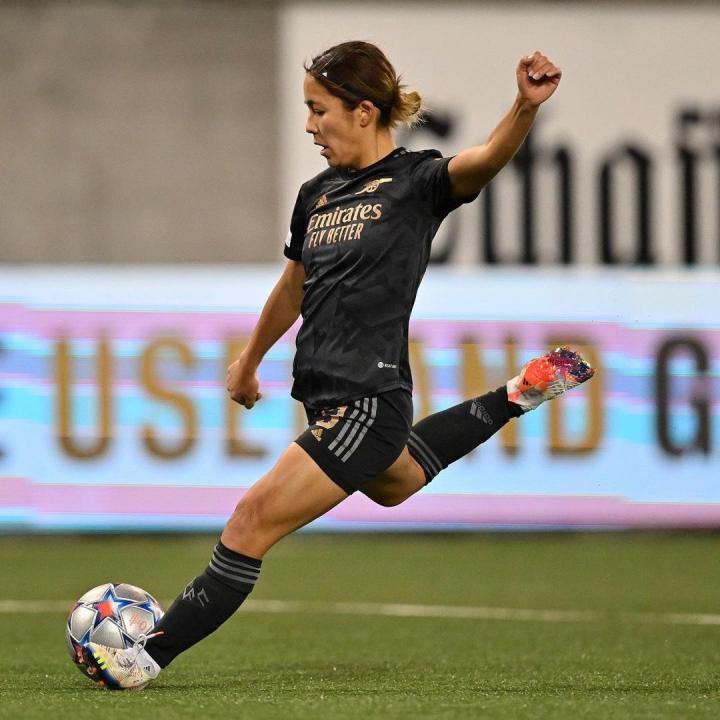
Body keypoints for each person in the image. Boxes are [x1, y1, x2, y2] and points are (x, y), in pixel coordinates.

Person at [83, 41, 594, 689]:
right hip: (325, 398)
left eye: (318, 109)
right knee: (396, 482)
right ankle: (522, 392)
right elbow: (293, 285)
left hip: (368, 400)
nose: (309, 125)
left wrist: (524, 105)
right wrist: (250, 358)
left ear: (363, 111)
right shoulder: (316, 196)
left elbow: (488, 158)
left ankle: (144, 656)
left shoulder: (416, 182)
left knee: (250, 521)